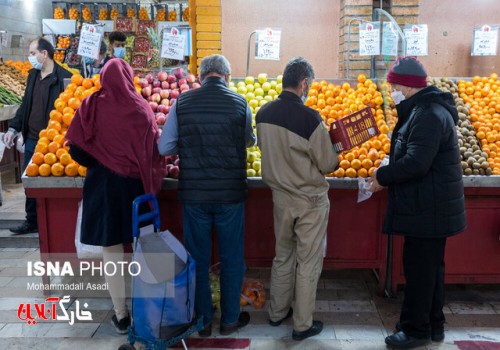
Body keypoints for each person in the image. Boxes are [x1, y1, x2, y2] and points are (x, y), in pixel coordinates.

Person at [369, 56, 466, 349]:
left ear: (409, 87)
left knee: (420, 271)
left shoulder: (428, 115)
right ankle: (433, 325)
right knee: (431, 270)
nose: (391, 91)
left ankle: (415, 331)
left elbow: (417, 163)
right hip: (430, 206)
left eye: (394, 86)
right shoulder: (424, 110)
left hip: (429, 208)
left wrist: (383, 176)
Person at [158, 54, 256, 337]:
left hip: (195, 196)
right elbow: (249, 140)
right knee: (232, 257)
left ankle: (203, 321)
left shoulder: (181, 103)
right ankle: (229, 320)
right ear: (227, 76)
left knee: (197, 258)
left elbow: (166, 147)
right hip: (230, 195)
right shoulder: (240, 103)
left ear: (201, 77)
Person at [65, 59, 166, 334]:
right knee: (140, 248)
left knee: (112, 251)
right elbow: (152, 147)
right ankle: (147, 312)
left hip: (103, 188)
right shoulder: (140, 107)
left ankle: (121, 316)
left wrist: (99, 155)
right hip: (135, 188)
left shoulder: (91, 104)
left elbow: (76, 149)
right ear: (129, 77)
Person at [255, 57, 338, 341]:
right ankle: (302, 325)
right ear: (303, 83)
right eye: (309, 85)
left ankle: (277, 313)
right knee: (308, 262)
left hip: (280, 198)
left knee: (283, 256)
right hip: (309, 201)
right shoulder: (310, 119)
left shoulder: (262, 113)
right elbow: (327, 164)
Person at [4, 37, 72, 235]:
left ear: (45, 53)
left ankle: (56, 221)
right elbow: (26, 105)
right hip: (32, 138)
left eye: (33, 53)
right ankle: (31, 220)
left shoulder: (63, 77)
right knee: (30, 181)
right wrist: (13, 129)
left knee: (54, 180)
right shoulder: (32, 75)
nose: (30, 57)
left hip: (53, 141)